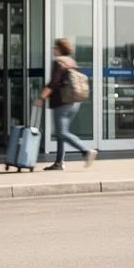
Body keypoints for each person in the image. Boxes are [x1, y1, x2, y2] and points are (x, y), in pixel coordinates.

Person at [33, 38, 96, 171]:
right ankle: (59, 162)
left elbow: (54, 83)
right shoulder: (72, 62)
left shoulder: (59, 62)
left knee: (61, 132)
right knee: (62, 133)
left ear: (60, 49)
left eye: (55, 47)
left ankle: (86, 151)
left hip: (62, 102)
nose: (53, 49)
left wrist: (41, 97)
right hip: (73, 102)